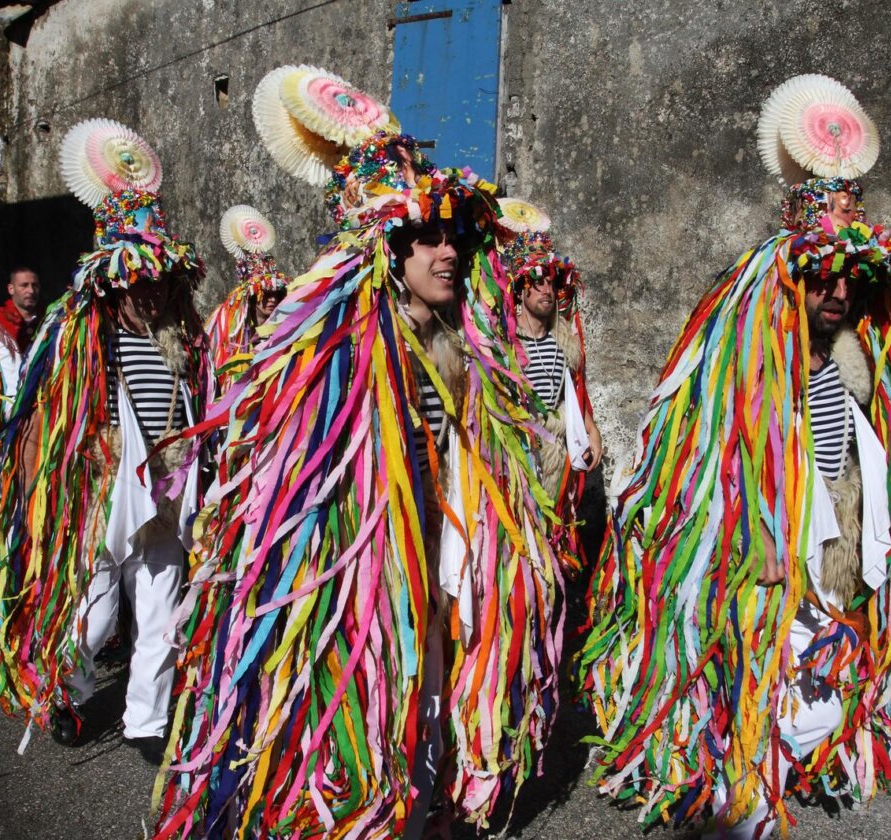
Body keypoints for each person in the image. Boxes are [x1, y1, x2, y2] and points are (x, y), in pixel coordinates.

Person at [151, 64, 564, 838]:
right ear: (387, 248)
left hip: (447, 573)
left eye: (456, 235)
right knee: (373, 716)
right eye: (425, 235)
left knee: (434, 705)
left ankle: (431, 809)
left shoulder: (469, 349)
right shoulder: (329, 354)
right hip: (363, 583)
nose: (447, 250)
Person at [577, 77, 891, 838]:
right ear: (789, 278)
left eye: (850, 279)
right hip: (764, 556)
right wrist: (754, 540)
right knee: (765, 694)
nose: (838, 291)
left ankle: (771, 774)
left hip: (837, 560)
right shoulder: (743, 365)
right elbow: (698, 461)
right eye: (821, 276)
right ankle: (744, 791)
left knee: (825, 691)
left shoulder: (862, 367)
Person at [0, 119, 208, 765]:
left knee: (162, 615)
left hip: (167, 496)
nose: (151, 293)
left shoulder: (183, 343)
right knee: (98, 614)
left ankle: (146, 722)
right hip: (103, 494)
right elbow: (42, 421)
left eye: (161, 282)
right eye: (140, 283)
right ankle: (70, 693)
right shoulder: (80, 339)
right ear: (113, 281)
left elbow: (197, 411)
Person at [498, 200, 602, 571]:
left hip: (558, 463)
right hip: (518, 460)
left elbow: (576, 394)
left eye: (551, 281)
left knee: (551, 549)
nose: (546, 288)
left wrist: (592, 433)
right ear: (521, 289)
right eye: (537, 280)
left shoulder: (566, 342)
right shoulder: (504, 342)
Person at [205, 205, 290, 396]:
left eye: (277, 293)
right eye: (265, 293)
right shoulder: (232, 334)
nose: (272, 299)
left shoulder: (286, 331)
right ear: (251, 296)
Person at [0, 266, 42, 397]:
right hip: (7, 400)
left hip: (41, 400)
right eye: (24, 285)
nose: (30, 290)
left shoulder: (48, 320)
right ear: (11, 289)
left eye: (34, 285)